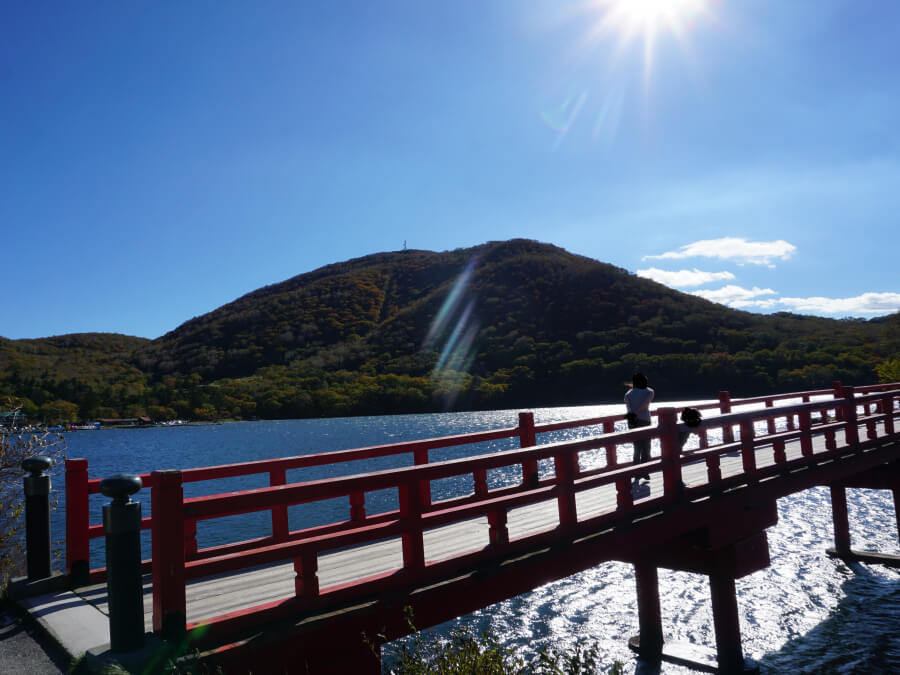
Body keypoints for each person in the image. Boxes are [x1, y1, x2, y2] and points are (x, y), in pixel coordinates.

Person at [624, 372, 654, 480]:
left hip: (633, 422)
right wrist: (637, 412)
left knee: (637, 447)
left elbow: (629, 409)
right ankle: (644, 471)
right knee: (646, 447)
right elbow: (646, 404)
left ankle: (636, 471)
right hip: (645, 420)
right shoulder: (649, 391)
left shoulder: (628, 394)